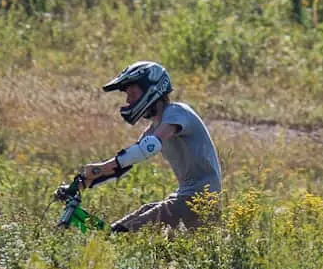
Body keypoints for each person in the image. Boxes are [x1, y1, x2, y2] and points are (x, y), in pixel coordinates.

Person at [79, 60, 222, 233]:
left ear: (152, 89)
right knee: (123, 226)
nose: (128, 99)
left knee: (121, 233)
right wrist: (80, 183)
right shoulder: (154, 129)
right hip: (186, 197)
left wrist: (101, 167)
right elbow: (123, 165)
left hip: (198, 199)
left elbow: (149, 147)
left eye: (132, 92)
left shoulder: (176, 112)